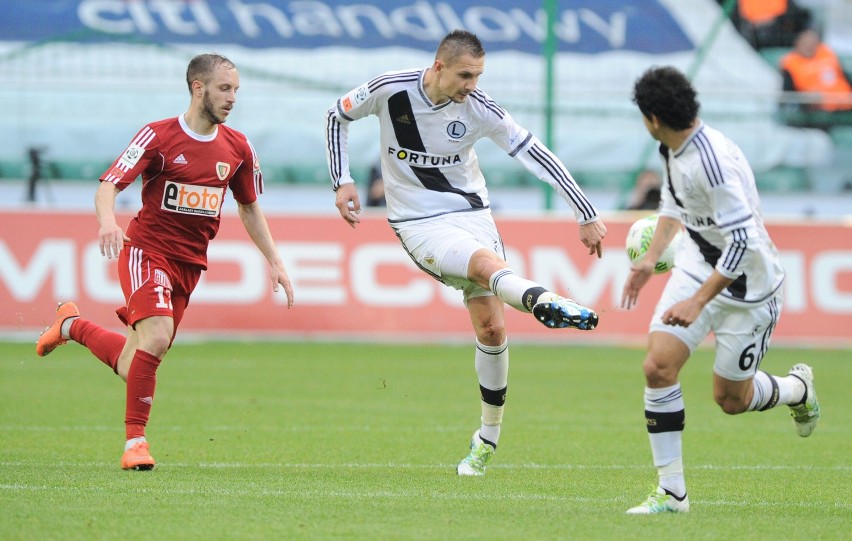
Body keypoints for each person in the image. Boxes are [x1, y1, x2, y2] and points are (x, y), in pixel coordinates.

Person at [324, 30, 607, 476]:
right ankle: (541, 299)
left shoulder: (479, 108)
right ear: (439, 67)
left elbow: (535, 153)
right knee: (483, 265)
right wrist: (341, 180)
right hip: (418, 224)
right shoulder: (389, 89)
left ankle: (486, 440)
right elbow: (336, 116)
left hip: (473, 216)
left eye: (478, 75)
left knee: (492, 329)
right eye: (465, 75)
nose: (472, 84)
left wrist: (585, 212)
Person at [35, 53, 295, 471]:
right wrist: (108, 222)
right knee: (157, 336)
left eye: (236, 90)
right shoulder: (158, 137)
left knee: (130, 363)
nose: (232, 98)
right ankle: (135, 443)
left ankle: (70, 325)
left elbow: (249, 207)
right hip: (146, 251)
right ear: (198, 88)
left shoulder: (239, 147)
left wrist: (275, 260)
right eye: (224, 89)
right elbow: (108, 184)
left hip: (189, 266)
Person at [621, 66, 820, 514]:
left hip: (750, 290)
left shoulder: (712, 164)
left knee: (732, 400)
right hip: (696, 266)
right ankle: (672, 493)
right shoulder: (674, 148)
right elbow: (674, 203)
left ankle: (797, 390)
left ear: (652, 117)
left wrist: (698, 302)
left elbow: (745, 243)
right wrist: (651, 258)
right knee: (657, 366)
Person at [780, 28, 852, 116]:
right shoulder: (791, 63)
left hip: (846, 103)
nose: (809, 47)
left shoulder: (827, 54)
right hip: (818, 110)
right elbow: (788, 95)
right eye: (805, 43)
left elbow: (844, 76)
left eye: (813, 43)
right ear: (797, 44)